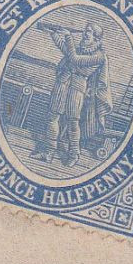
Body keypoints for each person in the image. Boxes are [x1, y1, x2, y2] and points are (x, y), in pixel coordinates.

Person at [33, 19, 109, 165]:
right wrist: (54, 34)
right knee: (52, 116)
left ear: (97, 38)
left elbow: (74, 59)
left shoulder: (99, 56)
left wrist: (68, 36)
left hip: (77, 87)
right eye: (86, 30)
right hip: (63, 81)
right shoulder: (79, 47)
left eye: (90, 32)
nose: (86, 33)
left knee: (72, 122)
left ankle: (74, 154)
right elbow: (66, 50)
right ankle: (49, 152)